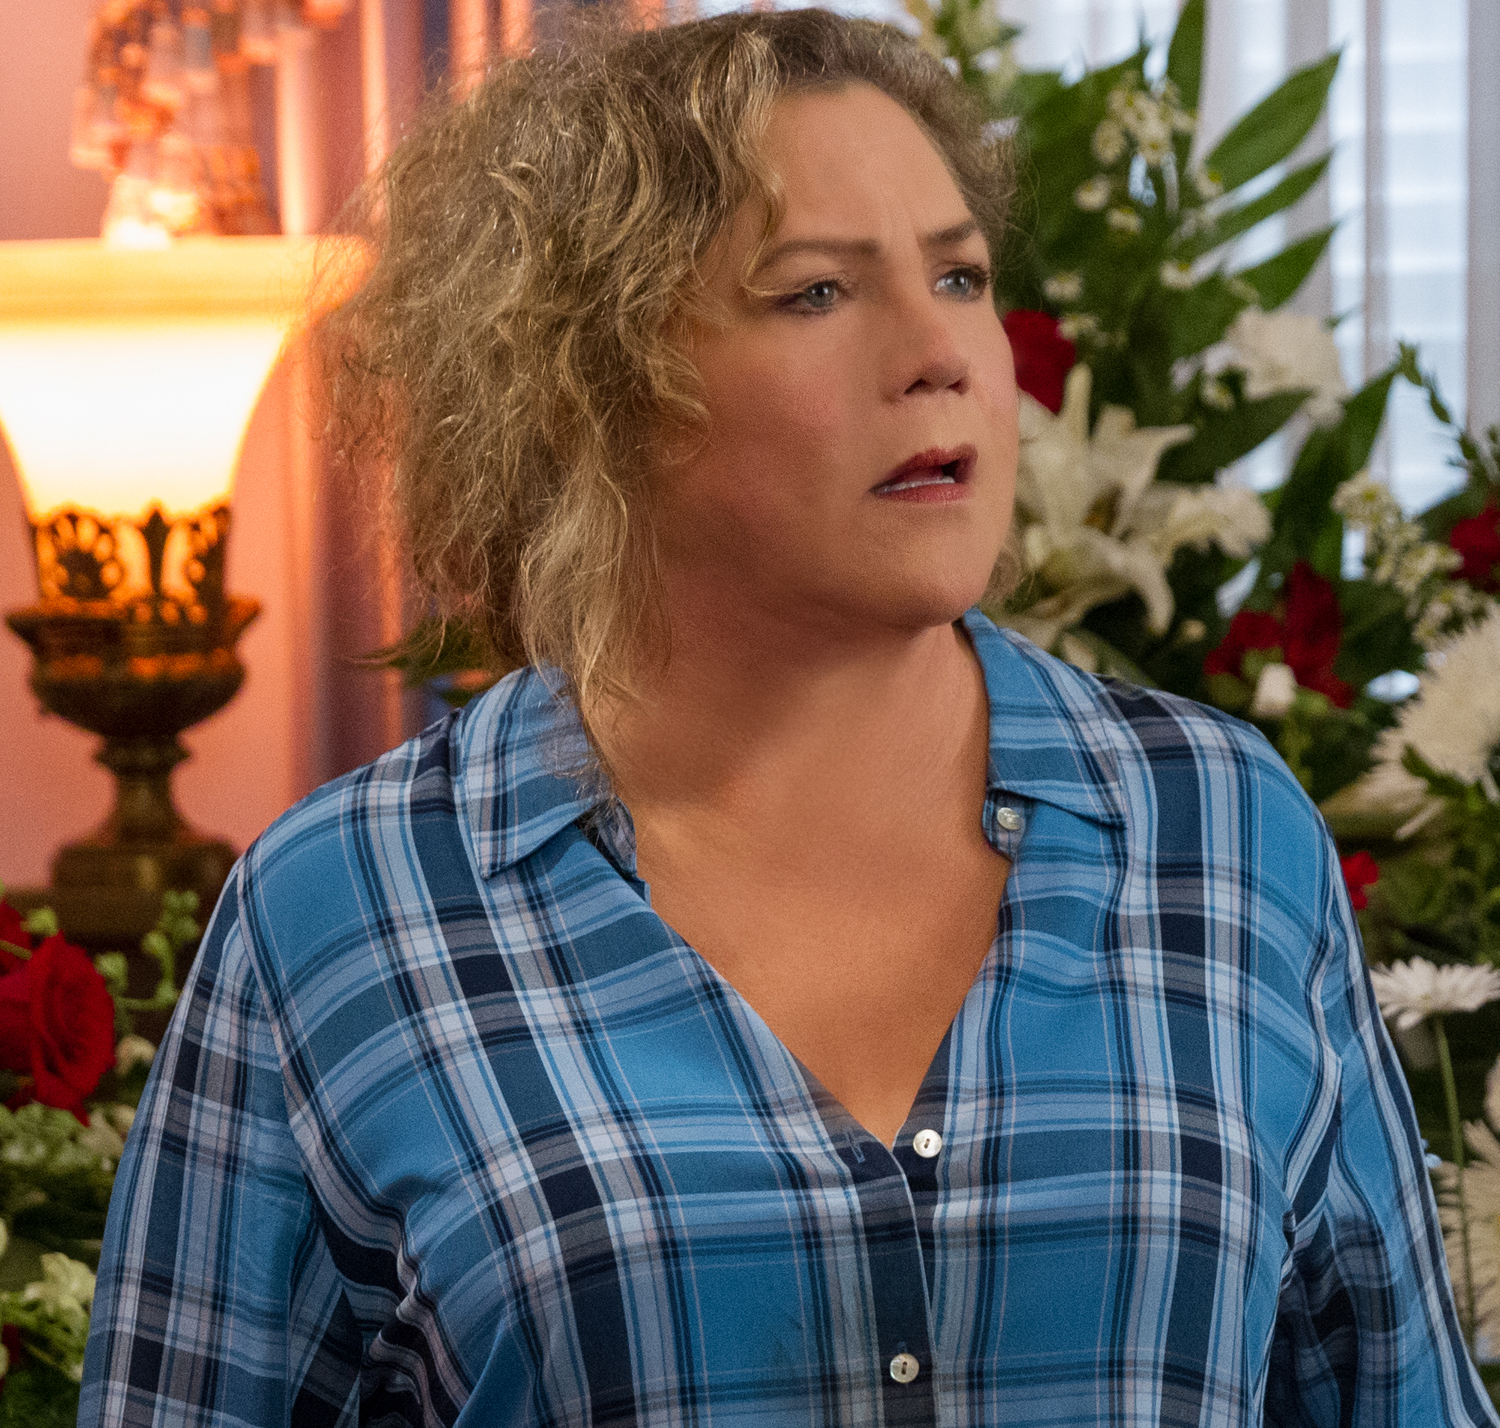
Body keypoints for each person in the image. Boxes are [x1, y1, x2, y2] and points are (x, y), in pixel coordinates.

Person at [80, 10, 1494, 1426]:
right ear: (588, 386)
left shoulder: (1221, 828)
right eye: (817, 292)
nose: (941, 352)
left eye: (960, 276)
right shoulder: (343, 910)